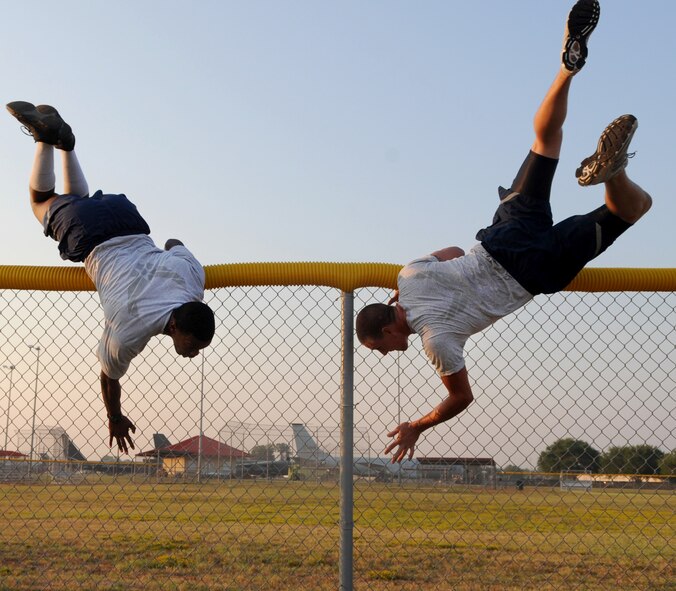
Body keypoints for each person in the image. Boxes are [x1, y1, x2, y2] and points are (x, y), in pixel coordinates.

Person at [356, 0, 652, 463]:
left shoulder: (436, 342)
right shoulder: (409, 275)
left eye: (381, 348)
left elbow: (460, 399)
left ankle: (613, 173)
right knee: (545, 141)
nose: (387, 355)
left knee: (632, 209)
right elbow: (453, 249)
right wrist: (409, 292)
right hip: (501, 237)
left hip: (531, 271)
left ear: (389, 329)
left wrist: (417, 425)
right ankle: (565, 71)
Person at [7, 102, 216, 454]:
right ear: (177, 328)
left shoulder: (193, 281)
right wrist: (114, 416)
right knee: (40, 200)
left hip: (127, 218)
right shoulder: (132, 328)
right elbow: (109, 375)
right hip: (91, 236)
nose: (193, 354)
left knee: (79, 199)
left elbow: (173, 243)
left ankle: (67, 144)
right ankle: (44, 138)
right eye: (193, 345)